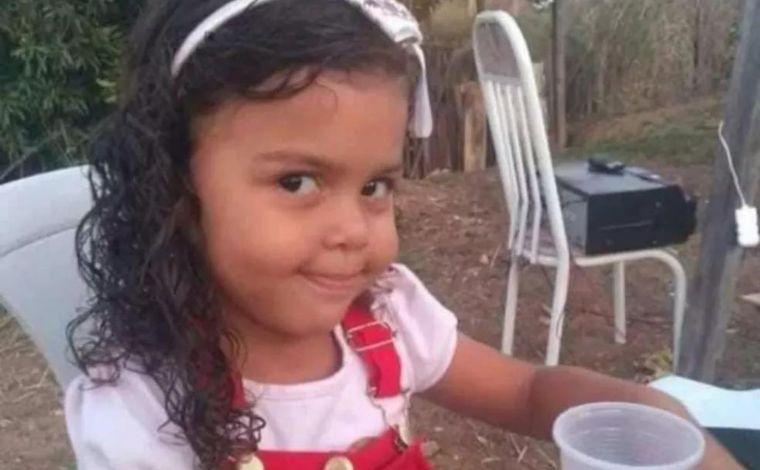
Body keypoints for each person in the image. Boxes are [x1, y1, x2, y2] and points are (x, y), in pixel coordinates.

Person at [64, 0, 740, 469]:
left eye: (375, 187)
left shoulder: (387, 317)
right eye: (297, 182)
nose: (352, 231)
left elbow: (525, 392)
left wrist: (642, 406)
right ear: (176, 188)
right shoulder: (139, 407)